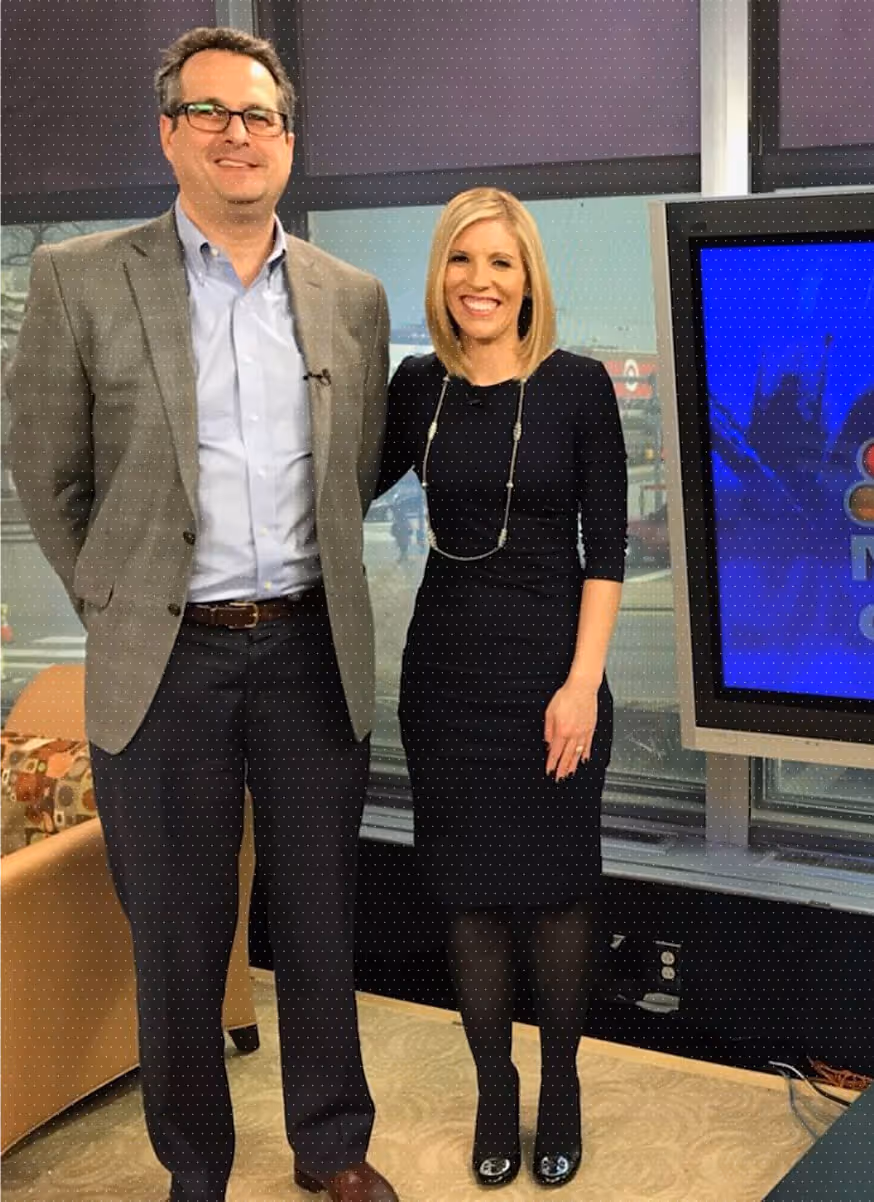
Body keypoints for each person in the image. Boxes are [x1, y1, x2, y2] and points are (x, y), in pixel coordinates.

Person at [6, 26, 398, 1202]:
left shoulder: (352, 297)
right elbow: (46, 472)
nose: (241, 135)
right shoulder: (81, 276)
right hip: (163, 656)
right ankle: (196, 1164)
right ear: (169, 131)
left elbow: (360, 463)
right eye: (213, 113)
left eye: (261, 116)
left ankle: (331, 1146)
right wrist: (120, 599)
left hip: (307, 646)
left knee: (322, 914)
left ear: (288, 139)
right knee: (177, 933)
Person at [377, 188, 627, 1190]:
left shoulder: (577, 386)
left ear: (529, 280)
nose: (479, 280)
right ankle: (494, 1086)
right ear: (441, 276)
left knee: (557, 892)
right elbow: (332, 485)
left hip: (550, 675)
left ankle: (558, 1086)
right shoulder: (414, 386)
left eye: (500, 262)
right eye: (460, 261)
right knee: (468, 898)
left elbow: (604, 550)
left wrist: (580, 682)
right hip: (444, 679)